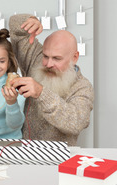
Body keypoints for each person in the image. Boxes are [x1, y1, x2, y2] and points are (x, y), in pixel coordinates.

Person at [8, 14, 94, 146]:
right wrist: (31, 21)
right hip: (25, 153)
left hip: (60, 159)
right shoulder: (35, 60)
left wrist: (41, 93)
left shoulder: (83, 86)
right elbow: (15, 27)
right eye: (46, 56)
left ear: (75, 57)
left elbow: (76, 123)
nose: (48, 64)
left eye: (57, 58)